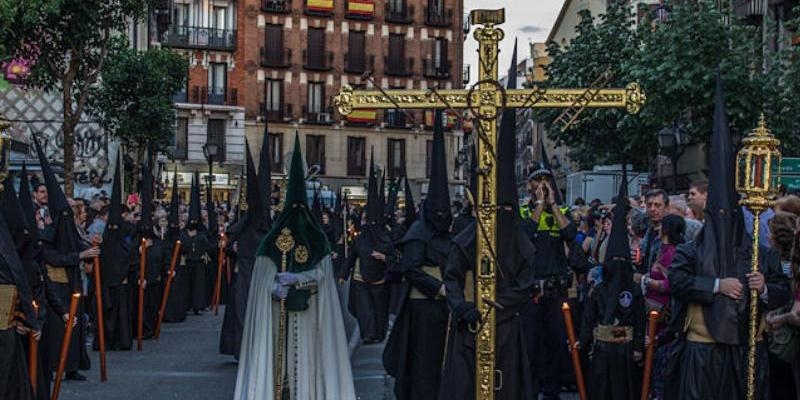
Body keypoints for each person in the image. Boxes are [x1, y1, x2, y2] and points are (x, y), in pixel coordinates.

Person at [667, 77, 790, 400]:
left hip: (746, 349)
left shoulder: (759, 253)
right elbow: (677, 281)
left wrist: (763, 287)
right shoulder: (692, 249)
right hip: (703, 351)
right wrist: (716, 285)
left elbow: (782, 289)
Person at [439, 48, 537, 398]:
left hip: (508, 328)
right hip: (470, 328)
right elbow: (451, 277)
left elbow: (527, 282)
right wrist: (463, 307)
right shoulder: (467, 238)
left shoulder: (522, 241)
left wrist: (501, 302)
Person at [233, 134, 354, 400]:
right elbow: (261, 275)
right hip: (276, 317)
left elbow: (323, 275)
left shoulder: (316, 240)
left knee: (307, 370)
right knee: (278, 373)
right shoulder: (271, 241)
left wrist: (298, 279)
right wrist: (273, 287)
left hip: (310, 319)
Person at [384, 110, 452, 400]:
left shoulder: (446, 233)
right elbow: (411, 268)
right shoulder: (416, 234)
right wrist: (438, 287)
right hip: (422, 310)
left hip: (444, 309)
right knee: (421, 367)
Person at [578, 179, 645, 400]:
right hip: (603, 349)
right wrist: (583, 340)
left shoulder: (634, 291)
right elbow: (589, 317)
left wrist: (637, 348)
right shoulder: (598, 290)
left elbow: (640, 318)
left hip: (625, 351)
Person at [34, 139, 94, 381]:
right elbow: (51, 257)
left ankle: (71, 366)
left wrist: (92, 251)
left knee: (76, 326)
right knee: (57, 330)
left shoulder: (69, 230)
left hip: (73, 284)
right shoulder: (47, 234)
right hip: (55, 286)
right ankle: (52, 366)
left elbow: (82, 248)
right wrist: (79, 256)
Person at [520, 164, 575, 400]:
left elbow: (571, 235)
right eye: (537, 180)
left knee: (556, 344)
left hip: (555, 289)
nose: (542, 183)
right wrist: (539, 205)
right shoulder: (523, 212)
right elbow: (525, 235)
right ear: (529, 185)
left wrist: (552, 205)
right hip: (532, 290)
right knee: (532, 345)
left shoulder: (561, 209)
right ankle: (531, 391)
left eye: (546, 179)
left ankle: (552, 393)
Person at [339, 149, 397, 344]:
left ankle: (378, 332)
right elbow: (352, 257)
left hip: (381, 279)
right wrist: (342, 275)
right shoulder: (361, 237)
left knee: (379, 308)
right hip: (360, 278)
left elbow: (395, 258)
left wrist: (383, 257)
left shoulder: (386, 237)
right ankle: (369, 333)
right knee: (365, 309)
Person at [219, 139, 271, 358]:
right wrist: (232, 248)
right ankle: (242, 348)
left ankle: (256, 349)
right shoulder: (247, 222)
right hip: (245, 275)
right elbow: (227, 243)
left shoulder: (269, 224)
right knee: (242, 313)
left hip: (263, 276)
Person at [181, 173, 211, 315]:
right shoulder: (183, 233)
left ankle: (198, 305)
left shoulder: (202, 234)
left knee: (199, 286)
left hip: (198, 262)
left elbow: (206, 244)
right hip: (187, 262)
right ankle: (186, 304)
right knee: (186, 285)